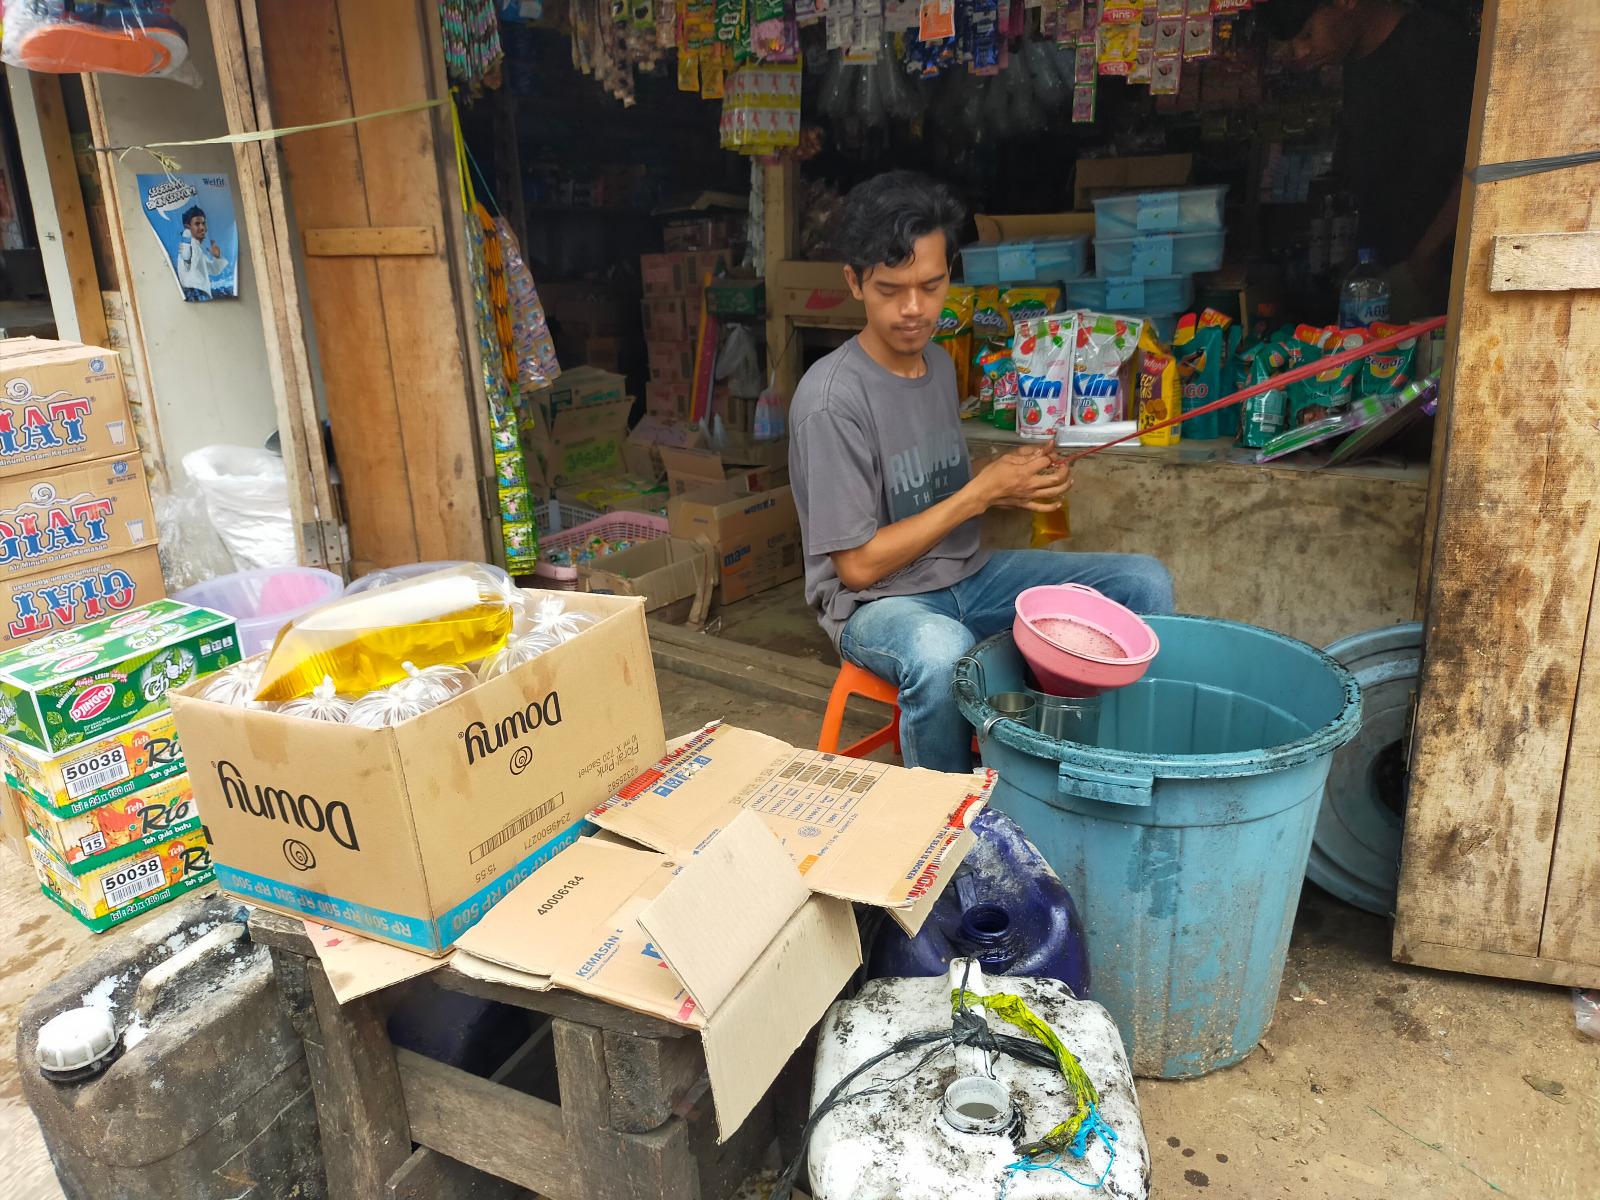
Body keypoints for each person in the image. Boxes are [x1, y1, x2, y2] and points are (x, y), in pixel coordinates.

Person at [788, 171, 1174, 773]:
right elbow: (858, 566)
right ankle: (952, 837)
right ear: (854, 282)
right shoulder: (831, 401)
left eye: (932, 285)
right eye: (891, 289)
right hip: (875, 605)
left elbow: (933, 489)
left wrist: (1007, 481)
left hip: (968, 575)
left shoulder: (938, 365)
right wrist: (980, 493)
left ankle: (1092, 775)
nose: (914, 310)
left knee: (1142, 584)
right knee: (942, 652)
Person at [1267, 0, 1477, 317]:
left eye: (1308, 34)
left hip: (1433, 278)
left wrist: (1424, 259)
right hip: (1382, 275)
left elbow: (1477, 163)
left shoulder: (1431, 46)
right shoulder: (1357, 59)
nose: (1301, 53)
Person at [176, 205, 230, 301]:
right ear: (188, 226)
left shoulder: (197, 248)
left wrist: (217, 257)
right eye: (197, 224)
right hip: (197, 293)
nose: (202, 227)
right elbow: (189, 274)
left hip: (200, 293)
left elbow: (213, 270)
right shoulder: (190, 247)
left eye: (203, 223)